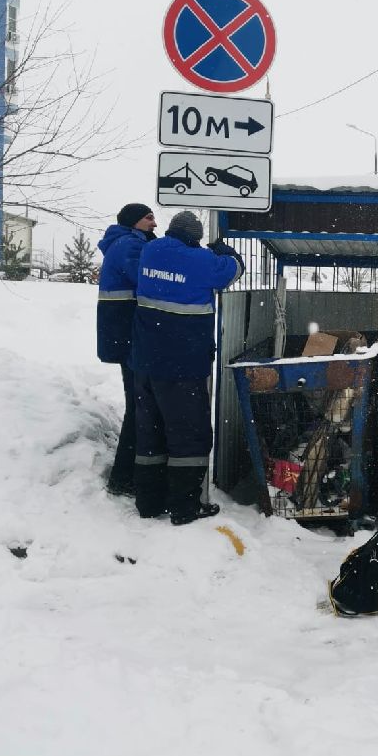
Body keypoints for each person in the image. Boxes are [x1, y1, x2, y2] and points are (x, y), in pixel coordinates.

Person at [131, 210, 244, 525]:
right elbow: (234, 271)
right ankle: (185, 507)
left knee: (150, 433)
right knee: (188, 436)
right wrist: (224, 249)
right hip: (182, 365)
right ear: (195, 237)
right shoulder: (201, 260)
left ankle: (149, 502)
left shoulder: (150, 251)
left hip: (145, 362)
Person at [96, 202, 157, 496]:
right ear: (134, 221)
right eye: (148, 218)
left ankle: (129, 474)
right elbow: (147, 279)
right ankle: (124, 477)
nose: (154, 223)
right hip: (129, 338)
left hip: (128, 338)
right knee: (138, 408)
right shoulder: (128, 245)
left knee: (139, 406)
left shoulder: (128, 242)